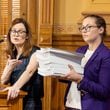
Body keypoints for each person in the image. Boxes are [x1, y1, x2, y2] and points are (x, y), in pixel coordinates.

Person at [62, 14, 110, 110]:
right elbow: (71, 76)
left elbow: (104, 91)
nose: (84, 30)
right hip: (71, 105)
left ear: (101, 30)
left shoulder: (106, 56)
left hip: (90, 106)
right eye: (82, 28)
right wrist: (59, 72)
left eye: (88, 27)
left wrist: (80, 80)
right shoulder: (80, 50)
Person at [0, 18, 44, 110]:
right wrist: (9, 68)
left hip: (31, 102)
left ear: (27, 35)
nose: (16, 34)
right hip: (15, 99)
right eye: (14, 31)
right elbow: (3, 81)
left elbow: (29, 71)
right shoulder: (13, 54)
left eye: (20, 32)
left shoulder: (36, 51)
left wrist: (14, 88)